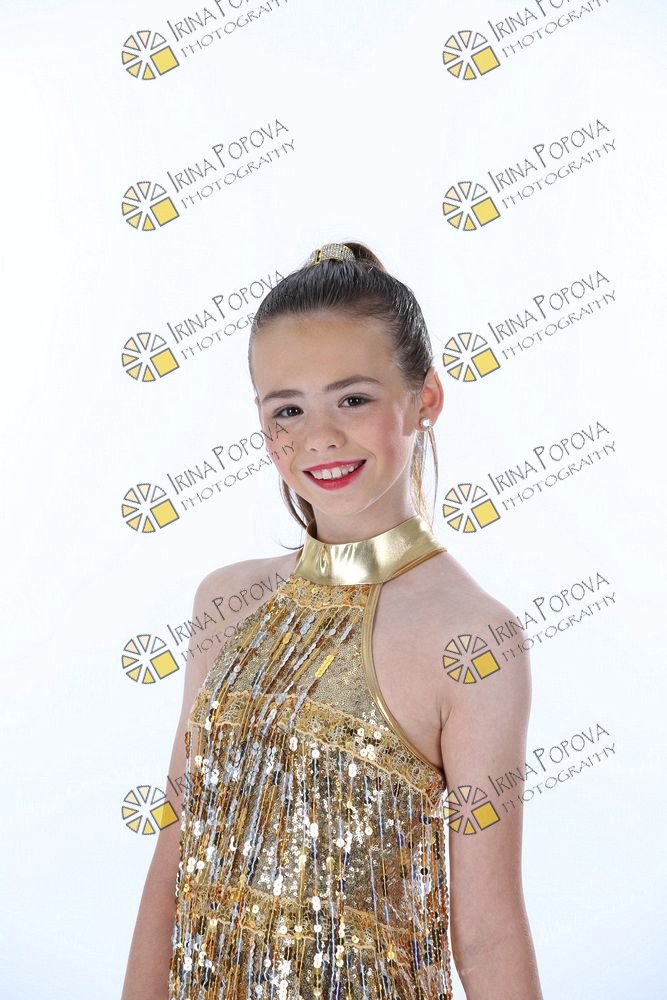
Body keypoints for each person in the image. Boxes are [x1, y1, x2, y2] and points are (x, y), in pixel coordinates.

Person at [121, 241, 543, 999]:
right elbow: (175, 850)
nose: (318, 436)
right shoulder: (225, 602)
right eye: (288, 409)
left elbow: (486, 934)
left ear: (425, 398)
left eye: (352, 399)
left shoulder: (471, 637)